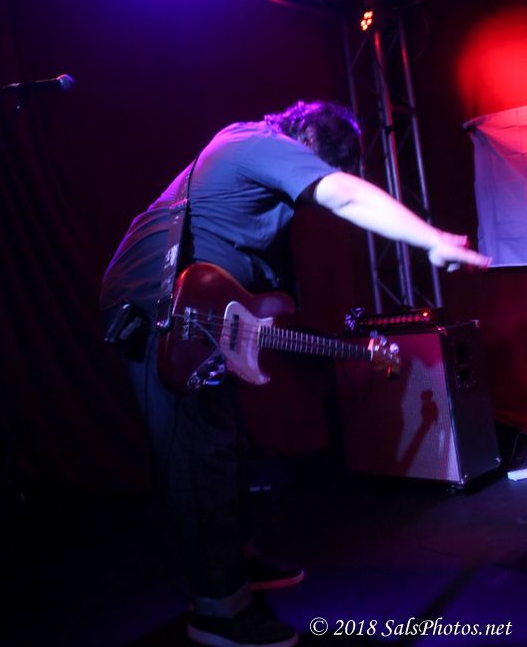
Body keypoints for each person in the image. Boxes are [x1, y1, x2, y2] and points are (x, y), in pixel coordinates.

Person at [100, 100, 490, 647]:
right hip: (159, 312)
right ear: (306, 140)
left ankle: (239, 561)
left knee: (227, 446)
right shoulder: (256, 141)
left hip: (200, 315)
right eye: (320, 165)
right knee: (200, 457)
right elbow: (345, 195)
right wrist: (432, 239)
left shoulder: (251, 154)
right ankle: (218, 613)